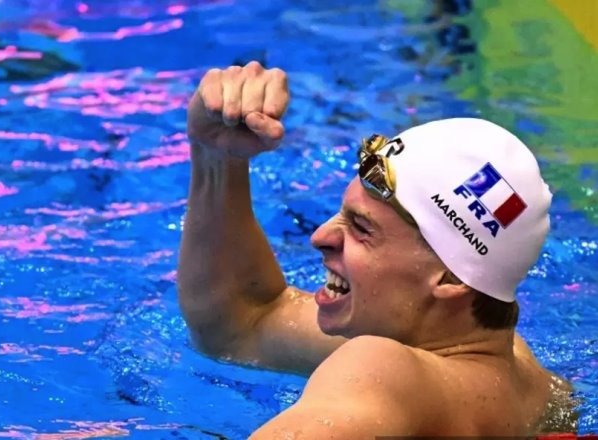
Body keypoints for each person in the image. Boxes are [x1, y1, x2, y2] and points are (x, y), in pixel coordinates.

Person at [177, 61, 576, 439]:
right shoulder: (540, 389)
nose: (320, 236)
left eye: (362, 228)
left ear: (452, 278)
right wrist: (216, 158)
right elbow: (243, 323)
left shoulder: (382, 371)